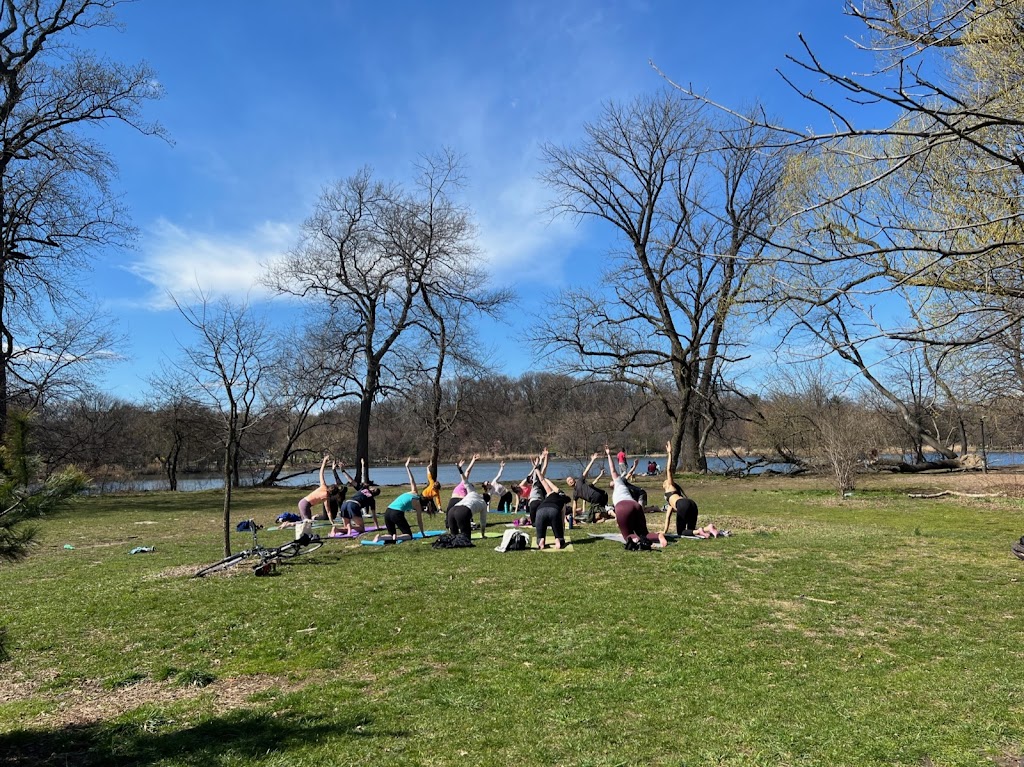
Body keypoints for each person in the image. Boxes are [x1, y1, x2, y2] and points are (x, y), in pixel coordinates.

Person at [606, 446, 667, 548]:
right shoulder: (621, 483)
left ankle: (637, 540)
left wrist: (608, 454)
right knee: (643, 532)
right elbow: (625, 473)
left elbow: (612, 469)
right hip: (635, 505)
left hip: (622, 507)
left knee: (627, 535)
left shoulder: (618, 483)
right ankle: (658, 536)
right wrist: (634, 466)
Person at [373, 458, 427, 543]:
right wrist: (423, 534)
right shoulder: (418, 505)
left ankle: (381, 537)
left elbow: (411, 480)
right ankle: (397, 537)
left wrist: (407, 467)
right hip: (396, 513)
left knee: (390, 534)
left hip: (387, 511)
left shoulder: (414, 492)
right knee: (409, 535)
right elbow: (419, 521)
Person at [329, 461, 381, 535]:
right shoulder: (372, 500)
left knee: (346, 528)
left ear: (372, 489)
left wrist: (343, 471)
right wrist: (377, 526)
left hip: (345, 504)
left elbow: (351, 481)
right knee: (361, 528)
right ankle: (351, 527)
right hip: (354, 505)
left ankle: (336, 529)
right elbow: (374, 515)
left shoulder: (363, 489)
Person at [532, 452, 571, 550]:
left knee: (540, 538)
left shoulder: (550, 493)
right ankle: (558, 542)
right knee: (559, 539)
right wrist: (560, 536)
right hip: (554, 510)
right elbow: (561, 522)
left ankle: (541, 542)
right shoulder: (563, 503)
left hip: (540, 510)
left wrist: (536, 468)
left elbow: (542, 480)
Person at [662, 440, 699, 536]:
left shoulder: (670, 486)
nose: (665, 481)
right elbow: (667, 518)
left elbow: (669, 469)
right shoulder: (671, 502)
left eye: (665, 480)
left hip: (683, 504)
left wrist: (669, 453)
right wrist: (664, 531)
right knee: (691, 531)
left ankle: (702, 530)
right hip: (692, 503)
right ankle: (707, 529)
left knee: (680, 532)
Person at [447, 458, 490, 538]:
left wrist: (460, 470)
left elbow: (465, 481)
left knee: (453, 538)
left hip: (452, 510)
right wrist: (483, 535)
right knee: (465, 539)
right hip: (463, 511)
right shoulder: (484, 504)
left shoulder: (472, 492)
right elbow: (482, 522)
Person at [565, 453, 609, 522]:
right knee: (595, 515)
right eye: (568, 481)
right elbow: (574, 505)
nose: (570, 481)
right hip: (596, 500)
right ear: (568, 484)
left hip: (597, 496)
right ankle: (605, 515)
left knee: (590, 519)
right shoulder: (575, 493)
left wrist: (592, 460)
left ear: (574, 479)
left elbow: (586, 471)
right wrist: (573, 517)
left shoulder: (580, 481)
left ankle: (601, 516)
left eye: (570, 479)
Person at [298, 455, 332, 521]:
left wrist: (324, 462)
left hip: (303, 503)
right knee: (307, 523)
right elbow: (328, 511)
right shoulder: (326, 497)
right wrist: (332, 523)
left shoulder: (323, 486)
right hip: (305, 505)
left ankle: (289, 523)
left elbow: (321, 473)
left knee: (307, 523)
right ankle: (288, 524)